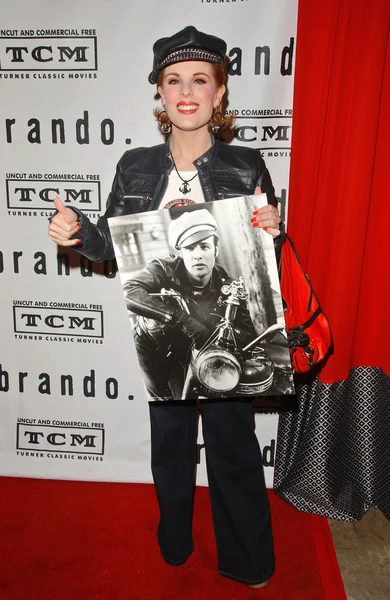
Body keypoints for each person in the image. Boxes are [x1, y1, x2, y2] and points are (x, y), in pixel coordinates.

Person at [48, 25, 282, 588]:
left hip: (229, 333)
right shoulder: (135, 167)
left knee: (235, 450)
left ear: (219, 92)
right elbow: (112, 246)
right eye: (173, 79)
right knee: (170, 451)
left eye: (200, 80)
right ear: (159, 91)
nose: (186, 90)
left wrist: (274, 230)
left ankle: (248, 559)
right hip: (169, 340)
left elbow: (260, 257)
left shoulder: (246, 165)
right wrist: (77, 232)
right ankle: (174, 543)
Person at [125, 207, 259, 401]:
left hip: (190, 353)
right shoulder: (164, 268)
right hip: (152, 347)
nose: (198, 255)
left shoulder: (229, 285)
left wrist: (224, 335)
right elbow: (129, 291)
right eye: (189, 248)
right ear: (180, 252)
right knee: (162, 401)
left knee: (189, 398)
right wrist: (182, 319)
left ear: (216, 249)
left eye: (204, 246)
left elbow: (248, 333)